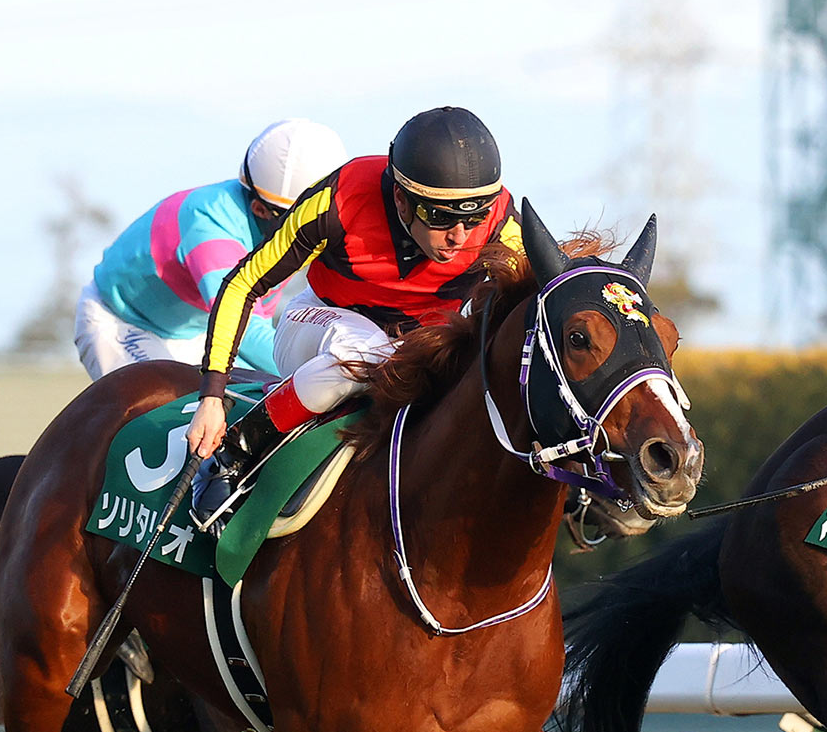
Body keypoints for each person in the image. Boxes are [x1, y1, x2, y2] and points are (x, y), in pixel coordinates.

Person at [188, 106, 523, 529]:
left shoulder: (500, 224)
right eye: (441, 217)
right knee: (372, 356)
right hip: (318, 322)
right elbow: (243, 283)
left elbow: (544, 305)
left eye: (473, 217)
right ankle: (236, 452)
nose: (460, 236)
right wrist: (211, 395)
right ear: (401, 199)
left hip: (418, 343)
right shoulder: (339, 199)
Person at [73, 119, 348, 381]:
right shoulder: (210, 225)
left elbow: (261, 325)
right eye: (302, 219)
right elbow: (244, 329)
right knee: (179, 413)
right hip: (122, 324)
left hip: (197, 331)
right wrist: (332, 373)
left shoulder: (280, 225)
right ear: (260, 209)